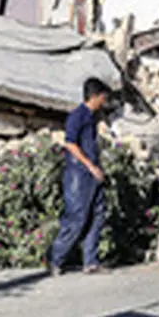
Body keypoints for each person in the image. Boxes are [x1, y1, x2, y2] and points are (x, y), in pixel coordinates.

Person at [48, 77, 112, 276]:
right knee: (77, 217)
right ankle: (55, 258)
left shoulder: (92, 117)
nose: (104, 101)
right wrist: (90, 166)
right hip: (80, 174)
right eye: (103, 97)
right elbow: (70, 143)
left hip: (93, 173)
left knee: (98, 214)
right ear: (94, 96)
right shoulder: (78, 115)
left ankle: (90, 260)